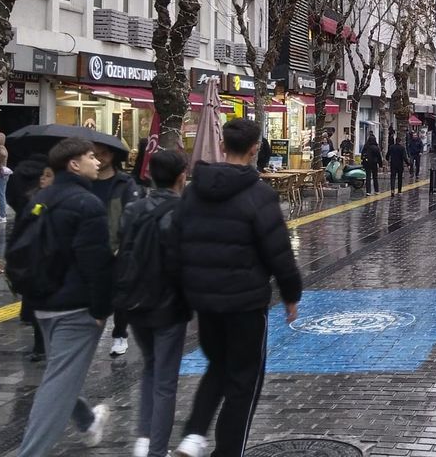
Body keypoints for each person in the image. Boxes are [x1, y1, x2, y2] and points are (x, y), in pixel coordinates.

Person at [169, 118, 302, 457]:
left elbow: (175, 242)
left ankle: (194, 435)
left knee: (218, 364)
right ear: (255, 148)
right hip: (246, 303)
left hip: (205, 300)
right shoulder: (259, 195)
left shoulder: (194, 190)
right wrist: (291, 294)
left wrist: (181, 291)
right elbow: (278, 251)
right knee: (245, 381)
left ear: (222, 145)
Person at [14, 138, 113, 456]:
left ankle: (86, 422)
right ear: (73, 164)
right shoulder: (87, 204)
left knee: (60, 372)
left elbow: (18, 248)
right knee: (57, 383)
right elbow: (95, 262)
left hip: (42, 303)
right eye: (90, 157)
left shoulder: (39, 199)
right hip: (75, 309)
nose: (97, 162)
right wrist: (101, 308)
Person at [117, 150, 191, 457]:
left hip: (135, 302)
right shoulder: (184, 212)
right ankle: (157, 450)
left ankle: (144, 439)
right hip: (169, 306)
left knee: (150, 367)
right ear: (181, 177)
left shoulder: (132, 209)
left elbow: (121, 247)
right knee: (165, 381)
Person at [91, 143, 141, 358]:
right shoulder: (86, 181)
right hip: (92, 247)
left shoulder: (124, 183)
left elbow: (132, 215)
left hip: (118, 248)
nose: (99, 158)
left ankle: (120, 334)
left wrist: (124, 245)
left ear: (112, 156)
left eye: (103, 154)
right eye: (94, 154)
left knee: (121, 295)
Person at [8, 154, 52, 361]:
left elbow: (10, 196)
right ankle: (43, 345)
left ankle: (38, 345)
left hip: (28, 242)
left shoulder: (19, 173)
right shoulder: (50, 179)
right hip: (46, 255)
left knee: (34, 292)